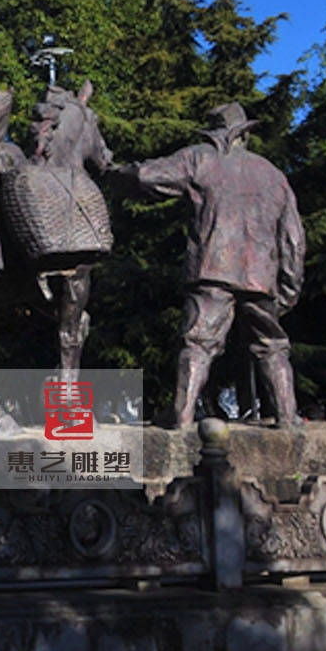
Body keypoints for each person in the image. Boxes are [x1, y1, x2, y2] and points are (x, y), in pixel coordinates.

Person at [111, 103, 305, 428]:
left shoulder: (200, 158)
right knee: (273, 345)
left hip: (213, 270)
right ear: (243, 134)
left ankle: (183, 417)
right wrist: (288, 288)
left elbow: (146, 175)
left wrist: (114, 172)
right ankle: (288, 417)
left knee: (198, 343)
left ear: (214, 133)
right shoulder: (273, 174)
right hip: (260, 278)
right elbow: (294, 241)